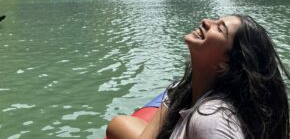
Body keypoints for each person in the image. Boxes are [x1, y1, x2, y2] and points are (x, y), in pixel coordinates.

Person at [106, 15, 290, 139]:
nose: (205, 21)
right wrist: (171, 98)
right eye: (216, 20)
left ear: (226, 63)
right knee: (118, 124)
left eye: (220, 29)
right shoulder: (183, 91)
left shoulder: (211, 117)